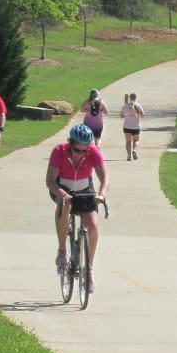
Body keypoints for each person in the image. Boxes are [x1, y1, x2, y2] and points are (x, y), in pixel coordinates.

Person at [45, 123, 108, 293]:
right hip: (61, 187)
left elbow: (104, 177)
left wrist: (101, 194)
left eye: (84, 151)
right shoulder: (59, 151)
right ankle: (62, 249)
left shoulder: (93, 152)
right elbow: (50, 181)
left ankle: (89, 269)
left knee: (93, 224)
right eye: (77, 150)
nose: (80, 154)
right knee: (65, 206)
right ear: (70, 144)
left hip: (84, 188)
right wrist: (63, 195)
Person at [120, 91, 145, 160]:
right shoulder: (138, 106)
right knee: (136, 140)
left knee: (128, 142)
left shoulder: (125, 106)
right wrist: (138, 114)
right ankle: (134, 150)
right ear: (135, 98)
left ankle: (129, 156)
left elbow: (121, 116)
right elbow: (143, 115)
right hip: (136, 127)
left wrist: (125, 115)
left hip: (127, 127)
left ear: (129, 98)